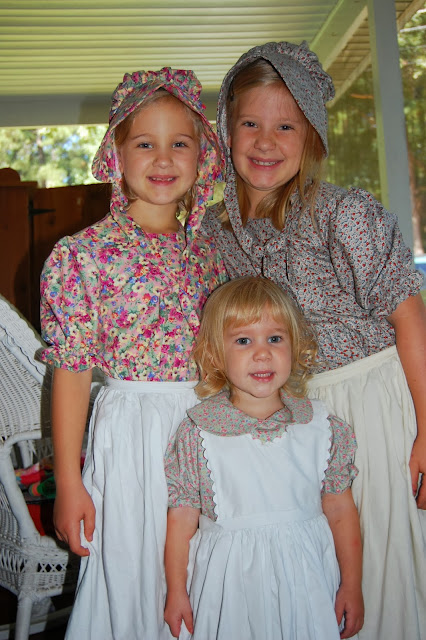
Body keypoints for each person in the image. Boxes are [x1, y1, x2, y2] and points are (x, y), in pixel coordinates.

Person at [200, 41, 426, 640]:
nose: (265, 142)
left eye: (286, 126)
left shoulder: (343, 214)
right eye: (250, 124)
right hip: (295, 423)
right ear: (226, 130)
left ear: (313, 138)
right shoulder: (217, 233)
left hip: (370, 405)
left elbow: (410, 318)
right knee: (317, 577)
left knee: (379, 568)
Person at [40, 67, 226, 640]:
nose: (163, 159)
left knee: (204, 575)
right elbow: (72, 372)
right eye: (145, 143)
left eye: (180, 144)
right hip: (131, 439)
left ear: (202, 157)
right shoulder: (81, 256)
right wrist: (68, 482)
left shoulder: (212, 254)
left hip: (207, 432)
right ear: (116, 155)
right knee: (134, 569)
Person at [164, 276, 364, 640]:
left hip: (307, 586)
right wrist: (176, 590)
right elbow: (181, 518)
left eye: (275, 338)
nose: (262, 353)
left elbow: (341, 509)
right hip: (230, 589)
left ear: (295, 345)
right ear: (215, 353)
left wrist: (352, 584)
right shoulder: (198, 432)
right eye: (243, 340)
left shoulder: (321, 426)